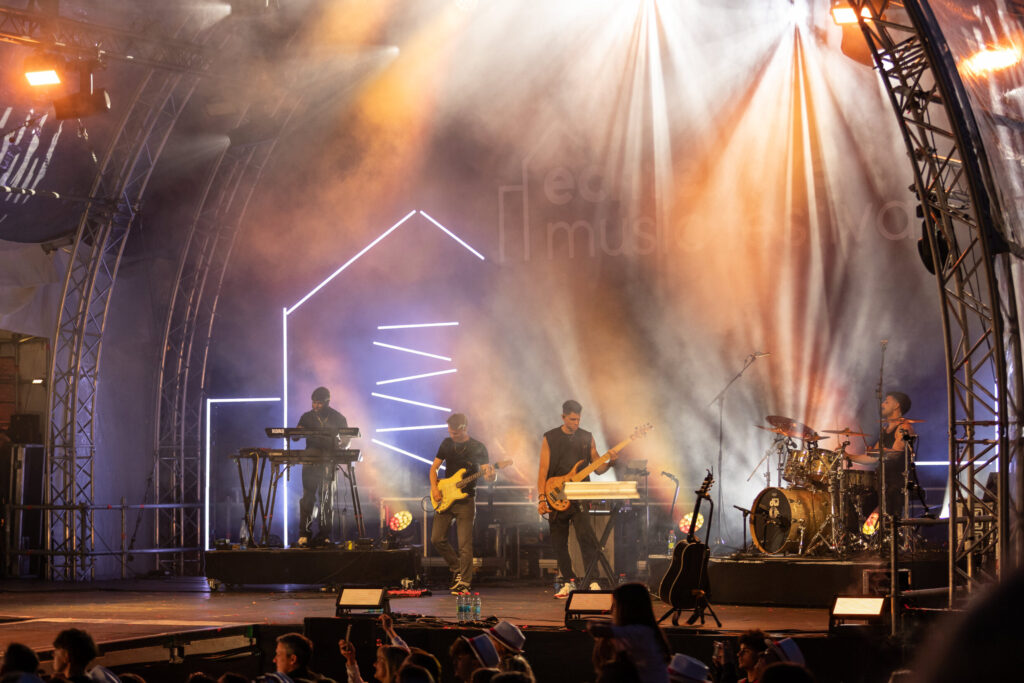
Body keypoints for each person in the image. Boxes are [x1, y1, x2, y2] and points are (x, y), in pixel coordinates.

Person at [537, 400, 616, 597]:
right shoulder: (550, 437)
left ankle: (593, 581)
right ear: (563, 417)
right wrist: (541, 498)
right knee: (558, 543)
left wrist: (611, 463)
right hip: (556, 493)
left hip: (579, 495)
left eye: (578, 419)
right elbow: (543, 470)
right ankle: (569, 581)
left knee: (586, 538)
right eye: (572, 419)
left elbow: (598, 468)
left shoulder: (586, 437)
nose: (576, 423)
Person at [430, 413, 494, 594]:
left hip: (466, 500)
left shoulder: (478, 447)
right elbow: (434, 468)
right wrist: (435, 488)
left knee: (464, 544)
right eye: (450, 432)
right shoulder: (446, 443)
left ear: (464, 428)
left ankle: (465, 582)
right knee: (436, 538)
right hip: (445, 496)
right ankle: (457, 567)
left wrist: (491, 474)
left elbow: (487, 475)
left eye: (455, 433)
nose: (452, 436)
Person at [848, 391, 916, 522]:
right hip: (881, 483)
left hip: (896, 485)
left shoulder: (904, 428)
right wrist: (848, 456)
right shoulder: (884, 430)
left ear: (896, 405)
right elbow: (872, 458)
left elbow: (896, 454)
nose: (882, 404)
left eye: (886, 402)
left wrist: (881, 451)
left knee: (890, 522)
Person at [296, 386, 349, 547]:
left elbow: (347, 438)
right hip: (310, 460)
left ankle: (324, 535)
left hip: (328, 460)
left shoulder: (338, 417)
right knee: (307, 498)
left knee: (327, 499)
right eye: (314, 403)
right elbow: (295, 437)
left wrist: (342, 447)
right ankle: (304, 534)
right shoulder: (306, 417)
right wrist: (298, 432)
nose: (316, 406)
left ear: (327, 402)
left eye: (319, 403)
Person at [587, 583, 671, 683]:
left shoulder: (640, 631)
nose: (612, 610)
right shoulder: (646, 628)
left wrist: (597, 623)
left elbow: (595, 630)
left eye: (615, 604)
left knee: (611, 670)